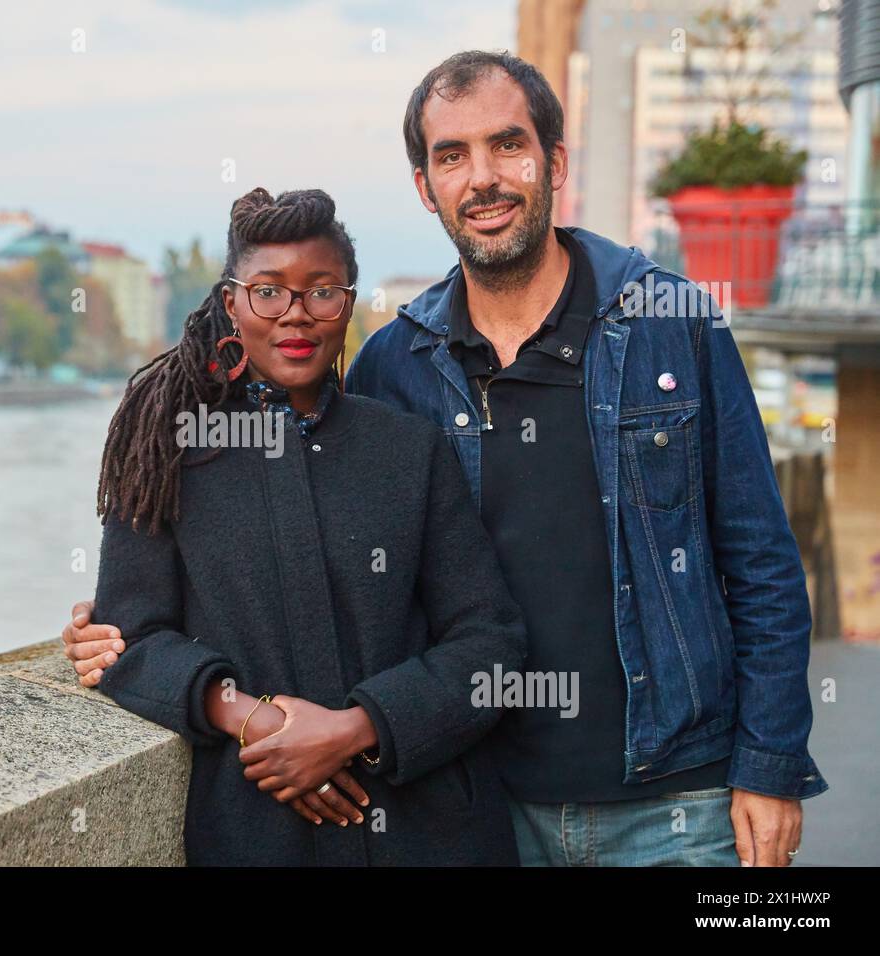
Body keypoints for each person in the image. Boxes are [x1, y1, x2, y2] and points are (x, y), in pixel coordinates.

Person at [66, 51, 826, 868]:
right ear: (427, 187)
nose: (484, 178)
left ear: (554, 161)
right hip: (481, 801)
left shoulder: (670, 321)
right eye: (452, 156)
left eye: (508, 145)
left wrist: (771, 766)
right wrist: (124, 641)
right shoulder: (397, 364)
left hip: (678, 796)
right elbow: (339, 566)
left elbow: (762, 562)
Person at [87, 185, 526, 866]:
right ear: (231, 301)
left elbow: (490, 642)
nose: (296, 315)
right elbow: (131, 639)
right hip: (258, 833)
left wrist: (357, 728)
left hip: (428, 832)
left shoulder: (410, 450)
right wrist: (256, 719)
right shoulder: (167, 449)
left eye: (321, 291)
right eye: (268, 291)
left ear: (346, 303)